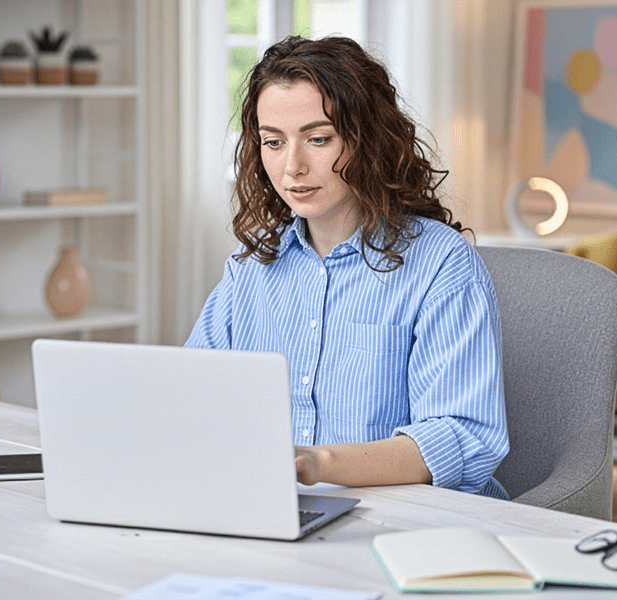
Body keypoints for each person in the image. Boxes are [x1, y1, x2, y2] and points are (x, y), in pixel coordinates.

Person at [186, 35, 509, 499]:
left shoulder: (442, 264)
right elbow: (192, 396)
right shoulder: (251, 269)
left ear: (366, 139)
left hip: (414, 520)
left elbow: (463, 436)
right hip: (280, 507)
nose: (292, 166)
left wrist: (317, 463)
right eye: (273, 142)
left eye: (318, 139)